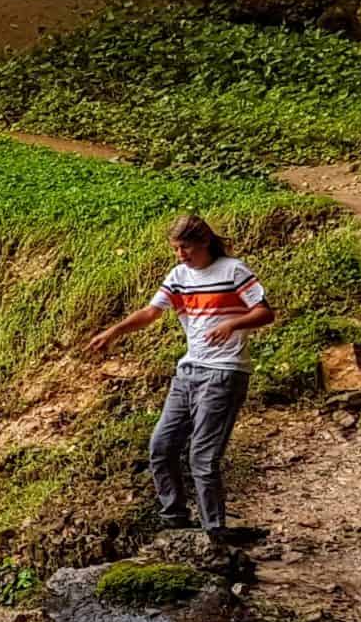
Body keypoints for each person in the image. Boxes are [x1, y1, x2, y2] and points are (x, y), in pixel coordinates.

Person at [83, 213, 277, 540]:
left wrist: (232, 324)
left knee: (202, 455)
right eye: (176, 249)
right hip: (188, 371)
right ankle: (174, 515)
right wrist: (114, 331)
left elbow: (265, 312)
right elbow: (152, 311)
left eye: (185, 247)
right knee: (162, 445)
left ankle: (214, 530)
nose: (180, 255)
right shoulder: (178, 275)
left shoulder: (233, 270)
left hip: (224, 372)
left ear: (204, 243)